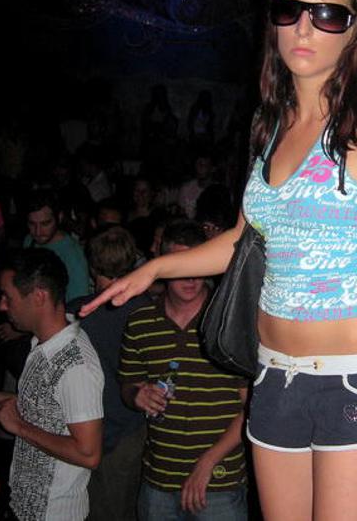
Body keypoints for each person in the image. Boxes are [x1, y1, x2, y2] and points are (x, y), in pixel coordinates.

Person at [82, 0, 357, 521]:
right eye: (290, 10)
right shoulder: (269, 127)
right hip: (273, 375)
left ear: (354, 30)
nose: (303, 28)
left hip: (354, 377)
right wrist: (155, 268)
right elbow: (244, 239)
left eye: (327, 14)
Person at [118, 220, 248, 521]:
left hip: (219, 481)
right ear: (164, 266)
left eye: (196, 266)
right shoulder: (140, 323)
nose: (190, 277)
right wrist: (137, 395)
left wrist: (207, 463)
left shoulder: (228, 320)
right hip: (159, 481)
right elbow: (127, 385)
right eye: (181, 267)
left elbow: (252, 406)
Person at [0, 248, 104, 521]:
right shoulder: (43, 345)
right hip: (26, 508)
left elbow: (88, 454)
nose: (2, 306)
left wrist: (18, 426)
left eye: (8, 297)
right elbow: (43, 408)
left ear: (39, 296)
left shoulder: (75, 365)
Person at [69, 227, 149, 521]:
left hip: (88, 427)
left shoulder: (76, 313)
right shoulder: (149, 310)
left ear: (92, 265)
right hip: (129, 428)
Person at [23, 189, 91, 302]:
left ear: (59, 218)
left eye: (45, 223)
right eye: (32, 224)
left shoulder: (73, 255)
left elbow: (77, 303)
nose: (38, 232)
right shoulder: (29, 240)